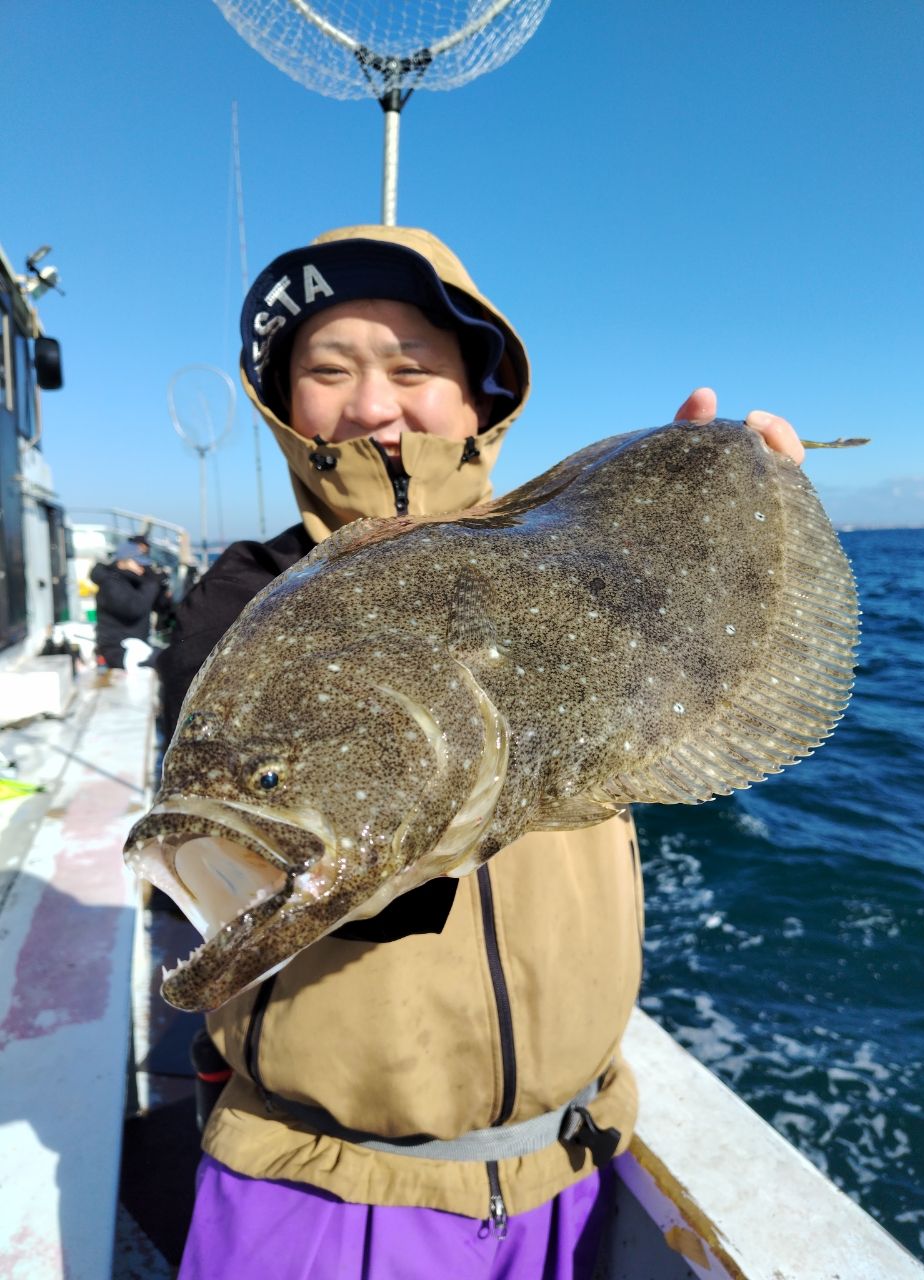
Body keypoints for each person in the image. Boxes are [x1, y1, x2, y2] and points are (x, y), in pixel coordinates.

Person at [157, 224, 804, 1279]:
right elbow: (273, 884)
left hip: (571, 1165)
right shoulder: (244, 601)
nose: (373, 407)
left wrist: (741, 518)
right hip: (322, 1183)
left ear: (479, 395)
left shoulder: (573, 567)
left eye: (414, 369)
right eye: (327, 370)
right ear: (283, 402)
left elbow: (710, 711)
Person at [90, 538, 162, 669]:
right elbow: (134, 609)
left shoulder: (130, 582)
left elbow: (160, 605)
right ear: (122, 562)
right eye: (138, 563)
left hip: (133, 646)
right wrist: (150, 584)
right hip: (117, 650)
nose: (142, 568)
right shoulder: (111, 584)